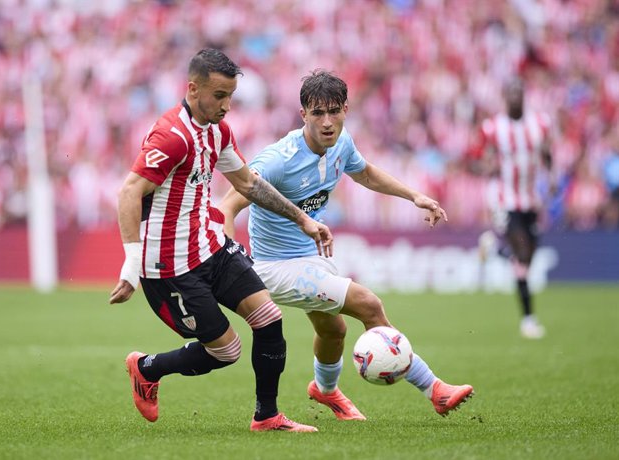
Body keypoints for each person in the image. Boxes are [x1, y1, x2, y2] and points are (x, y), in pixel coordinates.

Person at [218, 69, 473, 421]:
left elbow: (365, 173)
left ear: (346, 110)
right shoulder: (278, 160)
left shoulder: (342, 143)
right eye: (318, 113)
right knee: (368, 305)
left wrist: (414, 196)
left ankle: (324, 391)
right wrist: (229, 261)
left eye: (334, 111)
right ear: (302, 113)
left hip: (309, 258)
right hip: (273, 266)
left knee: (332, 330)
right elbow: (228, 204)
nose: (327, 122)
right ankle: (435, 390)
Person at [109, 49, 334, 432]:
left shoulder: (218, 131)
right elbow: (129, 192)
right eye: (219, 96)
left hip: (210, 245)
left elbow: (247, 183)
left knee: (269, 319)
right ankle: (147, 368)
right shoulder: (172, 136)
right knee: (227, 351)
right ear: (192, 89)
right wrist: (131, 264)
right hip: (169, 266)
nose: (227, 105)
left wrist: (302, 220)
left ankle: (267, 416)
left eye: (231, 96)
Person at [474, 77, 553, 339]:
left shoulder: (539, 124)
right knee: (521, 253)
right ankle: (529, 319)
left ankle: (495, 249)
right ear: (506, 98)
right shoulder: (493, 127)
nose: (516, 98)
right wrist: (488, 166)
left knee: (527, 258)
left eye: (520, 93)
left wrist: (551, 176)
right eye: (512, 93)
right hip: (504, 199)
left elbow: (547, 153)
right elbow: (480, 159)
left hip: (530, 199)